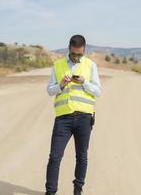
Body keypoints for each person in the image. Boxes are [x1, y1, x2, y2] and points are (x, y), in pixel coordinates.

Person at [45, 35, 101, 195]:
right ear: (69, 48)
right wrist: (61, 84)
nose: (76, 57)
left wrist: (84, 82)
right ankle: (50, 192)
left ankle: (78, 190)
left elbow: (98, 91)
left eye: (79, 54)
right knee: (55, 157)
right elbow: (49, 91)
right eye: (74, 54)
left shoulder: (90, 66)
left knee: (81, 156)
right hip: (63, 119)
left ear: (84, 50)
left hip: (84, 118)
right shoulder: (57, 65)